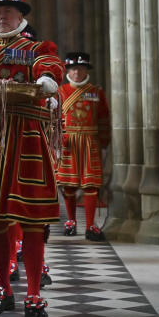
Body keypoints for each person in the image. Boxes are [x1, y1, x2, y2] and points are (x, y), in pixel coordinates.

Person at [0, 0, 64, 317]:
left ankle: (35, 293)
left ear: (21, 15)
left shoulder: (37, 48)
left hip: (26, 140)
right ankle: (4, 288)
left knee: (33, 218)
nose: (1, 17)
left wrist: (49, 80)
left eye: (7, 12)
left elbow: (49, 66)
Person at [56, 52, 111, 240]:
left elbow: (104, 118)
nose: (76, 73)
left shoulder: (96, 92)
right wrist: (57, 140)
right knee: (68, 185)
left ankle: (90, 225)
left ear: (86, 70)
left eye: (80, 69)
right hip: (68, 142)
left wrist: (104, 143)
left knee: (91, 185)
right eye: (73, 69)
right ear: (67, 72)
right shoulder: (61, 92)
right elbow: (54, 119)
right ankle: (71, 221)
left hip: (90, 141)